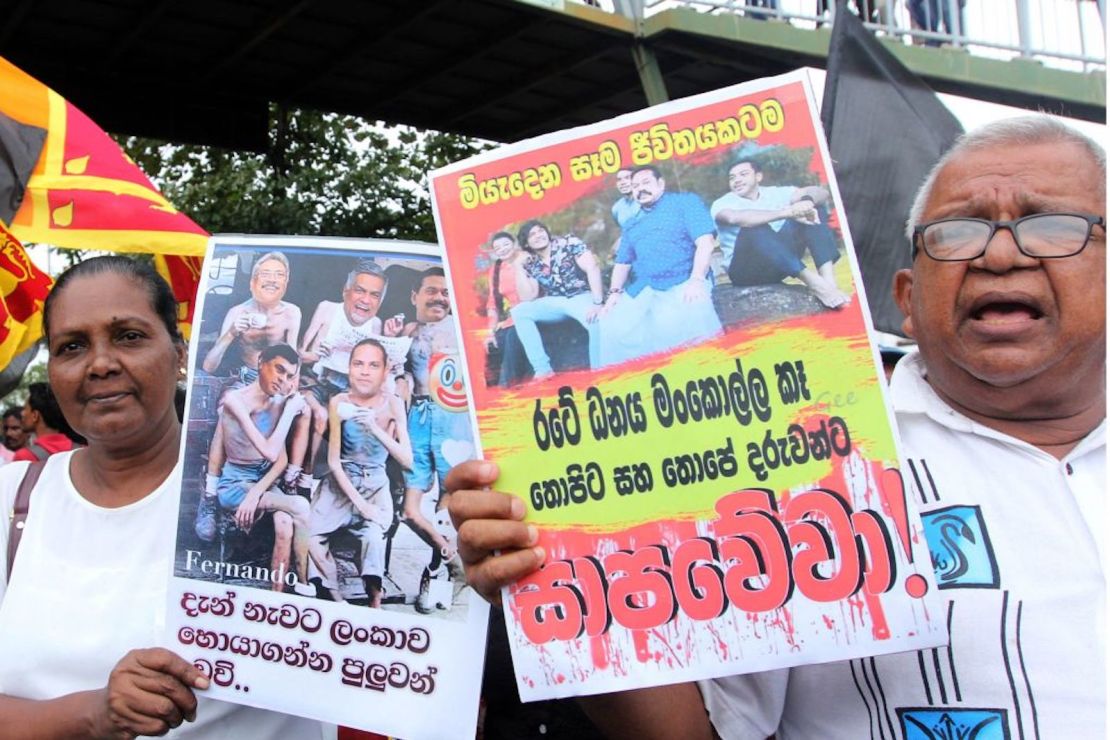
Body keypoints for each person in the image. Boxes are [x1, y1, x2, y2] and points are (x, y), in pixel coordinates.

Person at [446, 116, 1106, 738]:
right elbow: (695, 728)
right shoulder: (785, 458)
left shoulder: (693, 211)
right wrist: (545, 576)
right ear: (907, 298)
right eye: (958, 231)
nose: (999, 255)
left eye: (1050, 227)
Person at [0, 256, 324, 736]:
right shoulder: (12, 499)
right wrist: (94, 714)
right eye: (72, 346)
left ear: (179, 355)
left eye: (129, 336)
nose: (101, 364)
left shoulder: (274, 492)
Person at [309, 339, 412, 606]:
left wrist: (375, 427)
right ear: (349, 368)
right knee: (309, 535)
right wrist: (361, 506)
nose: (365, 371)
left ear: (385, 371)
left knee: (373, 539)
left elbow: (407, 461)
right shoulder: (339, 401)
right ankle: (334, 594)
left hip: (376, 483)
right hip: (341, 482)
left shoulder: (393, 403)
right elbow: (333, 462)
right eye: (358, 364)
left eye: (373, 365)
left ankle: (374, 601)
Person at [294, 258, 404, 496]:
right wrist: (315, 353)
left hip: (348, 392)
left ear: (380, 301)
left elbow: (376, 374)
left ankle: (375, 480)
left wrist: (391, 356)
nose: (365, 300)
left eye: (374, 295)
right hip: (316, 383)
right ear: (346, 291)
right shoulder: (327, 308)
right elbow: (299, 355)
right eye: (360, 291)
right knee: (321, 415)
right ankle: (306, 476)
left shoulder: (376, 324)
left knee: (382, 412)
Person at [212, 343, 316, 595]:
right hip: (235, 484)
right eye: (279, 370)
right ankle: (304, 581)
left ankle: (276, 596)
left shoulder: (277, 401)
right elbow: (268, 451)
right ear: (261, 362)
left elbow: (279, 460)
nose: (282, 379)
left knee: (284, 523)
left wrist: (255, 494)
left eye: (289, 375)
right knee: (301, 506)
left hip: (261, 483)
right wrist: (289, 411)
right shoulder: (235, 401)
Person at [401, 268, 474, 614]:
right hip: (417, 416)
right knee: (410, 511)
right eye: (431, 290)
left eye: (446, 292)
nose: (439, 297)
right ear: (415, 295)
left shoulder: (460, 333)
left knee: (448, 504)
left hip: (452, 418)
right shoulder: (405, 332)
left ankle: (436, 580)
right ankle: (452, 558)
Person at [599, 165, 722, 366]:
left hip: (686, 279)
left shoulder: (685, 202)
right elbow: (622, 262)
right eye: (635, 186)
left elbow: (705, 242)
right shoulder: (632, 223)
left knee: (692, 318)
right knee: (611, 322)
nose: (640, 189)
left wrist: (697, 279)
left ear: (661, 184)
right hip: (647, 285)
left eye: (646, 183)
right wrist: (614, 293)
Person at [712, 158, 850, 309]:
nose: (737, 180)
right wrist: (787, 212)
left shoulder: (777, 193)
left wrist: (807, 201)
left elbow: (821, 192)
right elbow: (736, 218)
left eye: (743, 174)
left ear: (758, 177)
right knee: (754, 228)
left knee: (812, 210)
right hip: (746, 271)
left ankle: (829, 284)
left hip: (781, 264)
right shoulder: (722, 203)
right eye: (732, 177)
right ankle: (814, 283)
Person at [510, 220, 604, 379]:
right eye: (532, 235)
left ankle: (600, 372)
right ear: (526, 243)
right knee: (519, 311)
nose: (538, 235)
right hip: (555, 300)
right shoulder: (531, 262)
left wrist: (598, 303)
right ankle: (542, 369)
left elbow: (592, 267)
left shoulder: (568, 243)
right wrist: (518, 267)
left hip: (581, 295)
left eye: (541, 231)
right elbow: (528, 297)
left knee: (595, 321)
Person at [200, 251, 301, 383]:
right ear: (253, 281)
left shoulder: (292, 312)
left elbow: (294, 360)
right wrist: (231, 333)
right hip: (246, 377)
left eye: (279, 275)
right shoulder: (237, 312)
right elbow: (209, 367)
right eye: (265, 274)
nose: (272, 279)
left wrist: (291, 389)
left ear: (286, 282)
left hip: (278, 380)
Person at [483, 231, 532, 387]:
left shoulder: (527, 259)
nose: (502, 249)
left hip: (532, 309)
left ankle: (513, 387)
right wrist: (490, 332)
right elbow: (492, 303)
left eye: (506, 244)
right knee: (493, 344)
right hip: (513, 317)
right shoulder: (496, 270)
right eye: (497, 248)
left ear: (514, 244)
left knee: (512, 338)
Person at [12, 382, 80, 462]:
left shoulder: (24, 457)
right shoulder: (81, 451)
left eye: (25, 408)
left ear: (35, 416)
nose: (22, 414)